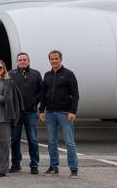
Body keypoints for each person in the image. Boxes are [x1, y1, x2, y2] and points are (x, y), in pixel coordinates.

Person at [40, 50, 80, 178]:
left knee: (69, 142)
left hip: (64, 113)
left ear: (61, 59)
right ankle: (53, 167)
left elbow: (75, 94)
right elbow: (43, 95)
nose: (54, 61)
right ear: (49, 60)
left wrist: (73, 111)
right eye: (52, 59)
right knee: (51, 142)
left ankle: (74, 169)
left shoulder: (69, 74)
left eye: (56, 58)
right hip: (50, 113)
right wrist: (41, 110)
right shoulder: (47, 75)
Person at [10, 52, 44, 174]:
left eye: (24, 60)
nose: (22, 61)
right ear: (17, 62)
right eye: (20, 60)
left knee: (33, 139)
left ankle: (34, 165)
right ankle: (15, 163)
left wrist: (34, 103)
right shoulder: (11, 74)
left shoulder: (36, 74)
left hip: (31, 112)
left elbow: (41, 91)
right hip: (16, 113)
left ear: (28, 61)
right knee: (15, 139)